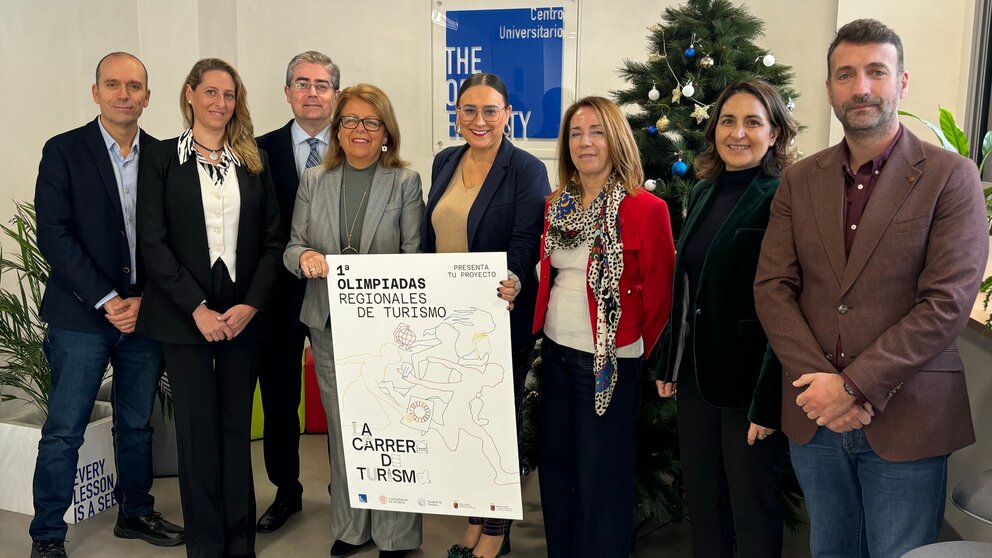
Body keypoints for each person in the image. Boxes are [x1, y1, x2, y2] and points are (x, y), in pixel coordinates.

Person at [753, 19, 988, 558]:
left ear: (901, 82)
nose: (860, 87)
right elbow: (773, 286)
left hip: (909, 417)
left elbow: (946, 303)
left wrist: (852, 387)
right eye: (845, 74)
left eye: (876, 72)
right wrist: (821, 387)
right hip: (813, 416)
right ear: (830, 87)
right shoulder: (799, 180)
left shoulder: (951, 177)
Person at [30, 52, 185, 558]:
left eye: (135, 86)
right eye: (113, 84)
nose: (125, 94)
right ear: (95, 92)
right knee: (64, 432)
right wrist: (107, 298)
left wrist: (144, 301)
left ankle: (135, 513)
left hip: (145, 316)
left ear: (147, 95)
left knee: (137, 424)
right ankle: (48, 535)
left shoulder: (165, 156)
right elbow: (54, 235)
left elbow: (175, 240)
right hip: (80, 318)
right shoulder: (63, 151)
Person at [136, 58, 283, 558]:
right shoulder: (159, 158)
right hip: (183, 316)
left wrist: (251, 306)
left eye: (230, 94)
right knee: (196, 435)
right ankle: (204, 544)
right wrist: (196, 308)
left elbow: (272, 242)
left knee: (235, 430)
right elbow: (152, 243)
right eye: (212, 92)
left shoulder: (255, 159)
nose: (221, 103)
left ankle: (239, 542)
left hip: (243, 315)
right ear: (190, 94)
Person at [648, 79, 798, 558]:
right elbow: (689, 287)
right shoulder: (705, 192)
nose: (738, 133)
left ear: (774, 133)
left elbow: (792, 304)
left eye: (753, 122)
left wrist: (770, 400)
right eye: (728, 121)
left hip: (750, 387)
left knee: (752, 508)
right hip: (696, 379)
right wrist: (670, 363)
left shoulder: (783, 197)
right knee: (705, 502)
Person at [283, 83, 424, 558]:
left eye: (371, 122)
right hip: (327, 324)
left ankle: (395, 535)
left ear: (386, 131)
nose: (359, 130)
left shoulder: (405, 182)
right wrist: (304, 259)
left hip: (386, 331)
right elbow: (292, 245)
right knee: (345, 429)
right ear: (337, 129)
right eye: (350, 121)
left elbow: (413, 258)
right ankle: (350, 528)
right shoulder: (314, 181)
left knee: (391, 429)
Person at [533, 96, 675, 558]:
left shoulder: (645, 208)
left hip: (609, 363)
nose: (585, 142)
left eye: (596, 131)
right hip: (555, 352)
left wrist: (626, 345)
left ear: (615, 138)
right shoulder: (557, 205)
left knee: (603, 480)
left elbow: (659, 295)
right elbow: (550, 274)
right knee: (557, 472)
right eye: (575, 133)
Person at [421, 72, 548, 558]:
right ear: (456, 114)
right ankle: (475, 521)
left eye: (490, 111)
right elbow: (434, 237)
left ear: (507, 115)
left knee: (497, 427)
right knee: (466, 426)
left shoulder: (526, 168)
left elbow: (523, 242)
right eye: (468, 110)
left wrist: (514, 277)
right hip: (448, 322)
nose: (479, 120)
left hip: (498, 318)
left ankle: (496, 532)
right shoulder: (444, 161)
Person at [254, 50, 340, 533]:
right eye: (302, 83)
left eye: (322, 84)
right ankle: (287, 493)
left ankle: (347, 494)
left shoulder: (356, 145)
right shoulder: (255, 149)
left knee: (343, 400)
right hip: (277, 298)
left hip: (340, 300)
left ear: (335, 94)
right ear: (287, 92)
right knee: (280, 401)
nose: (312, 92)